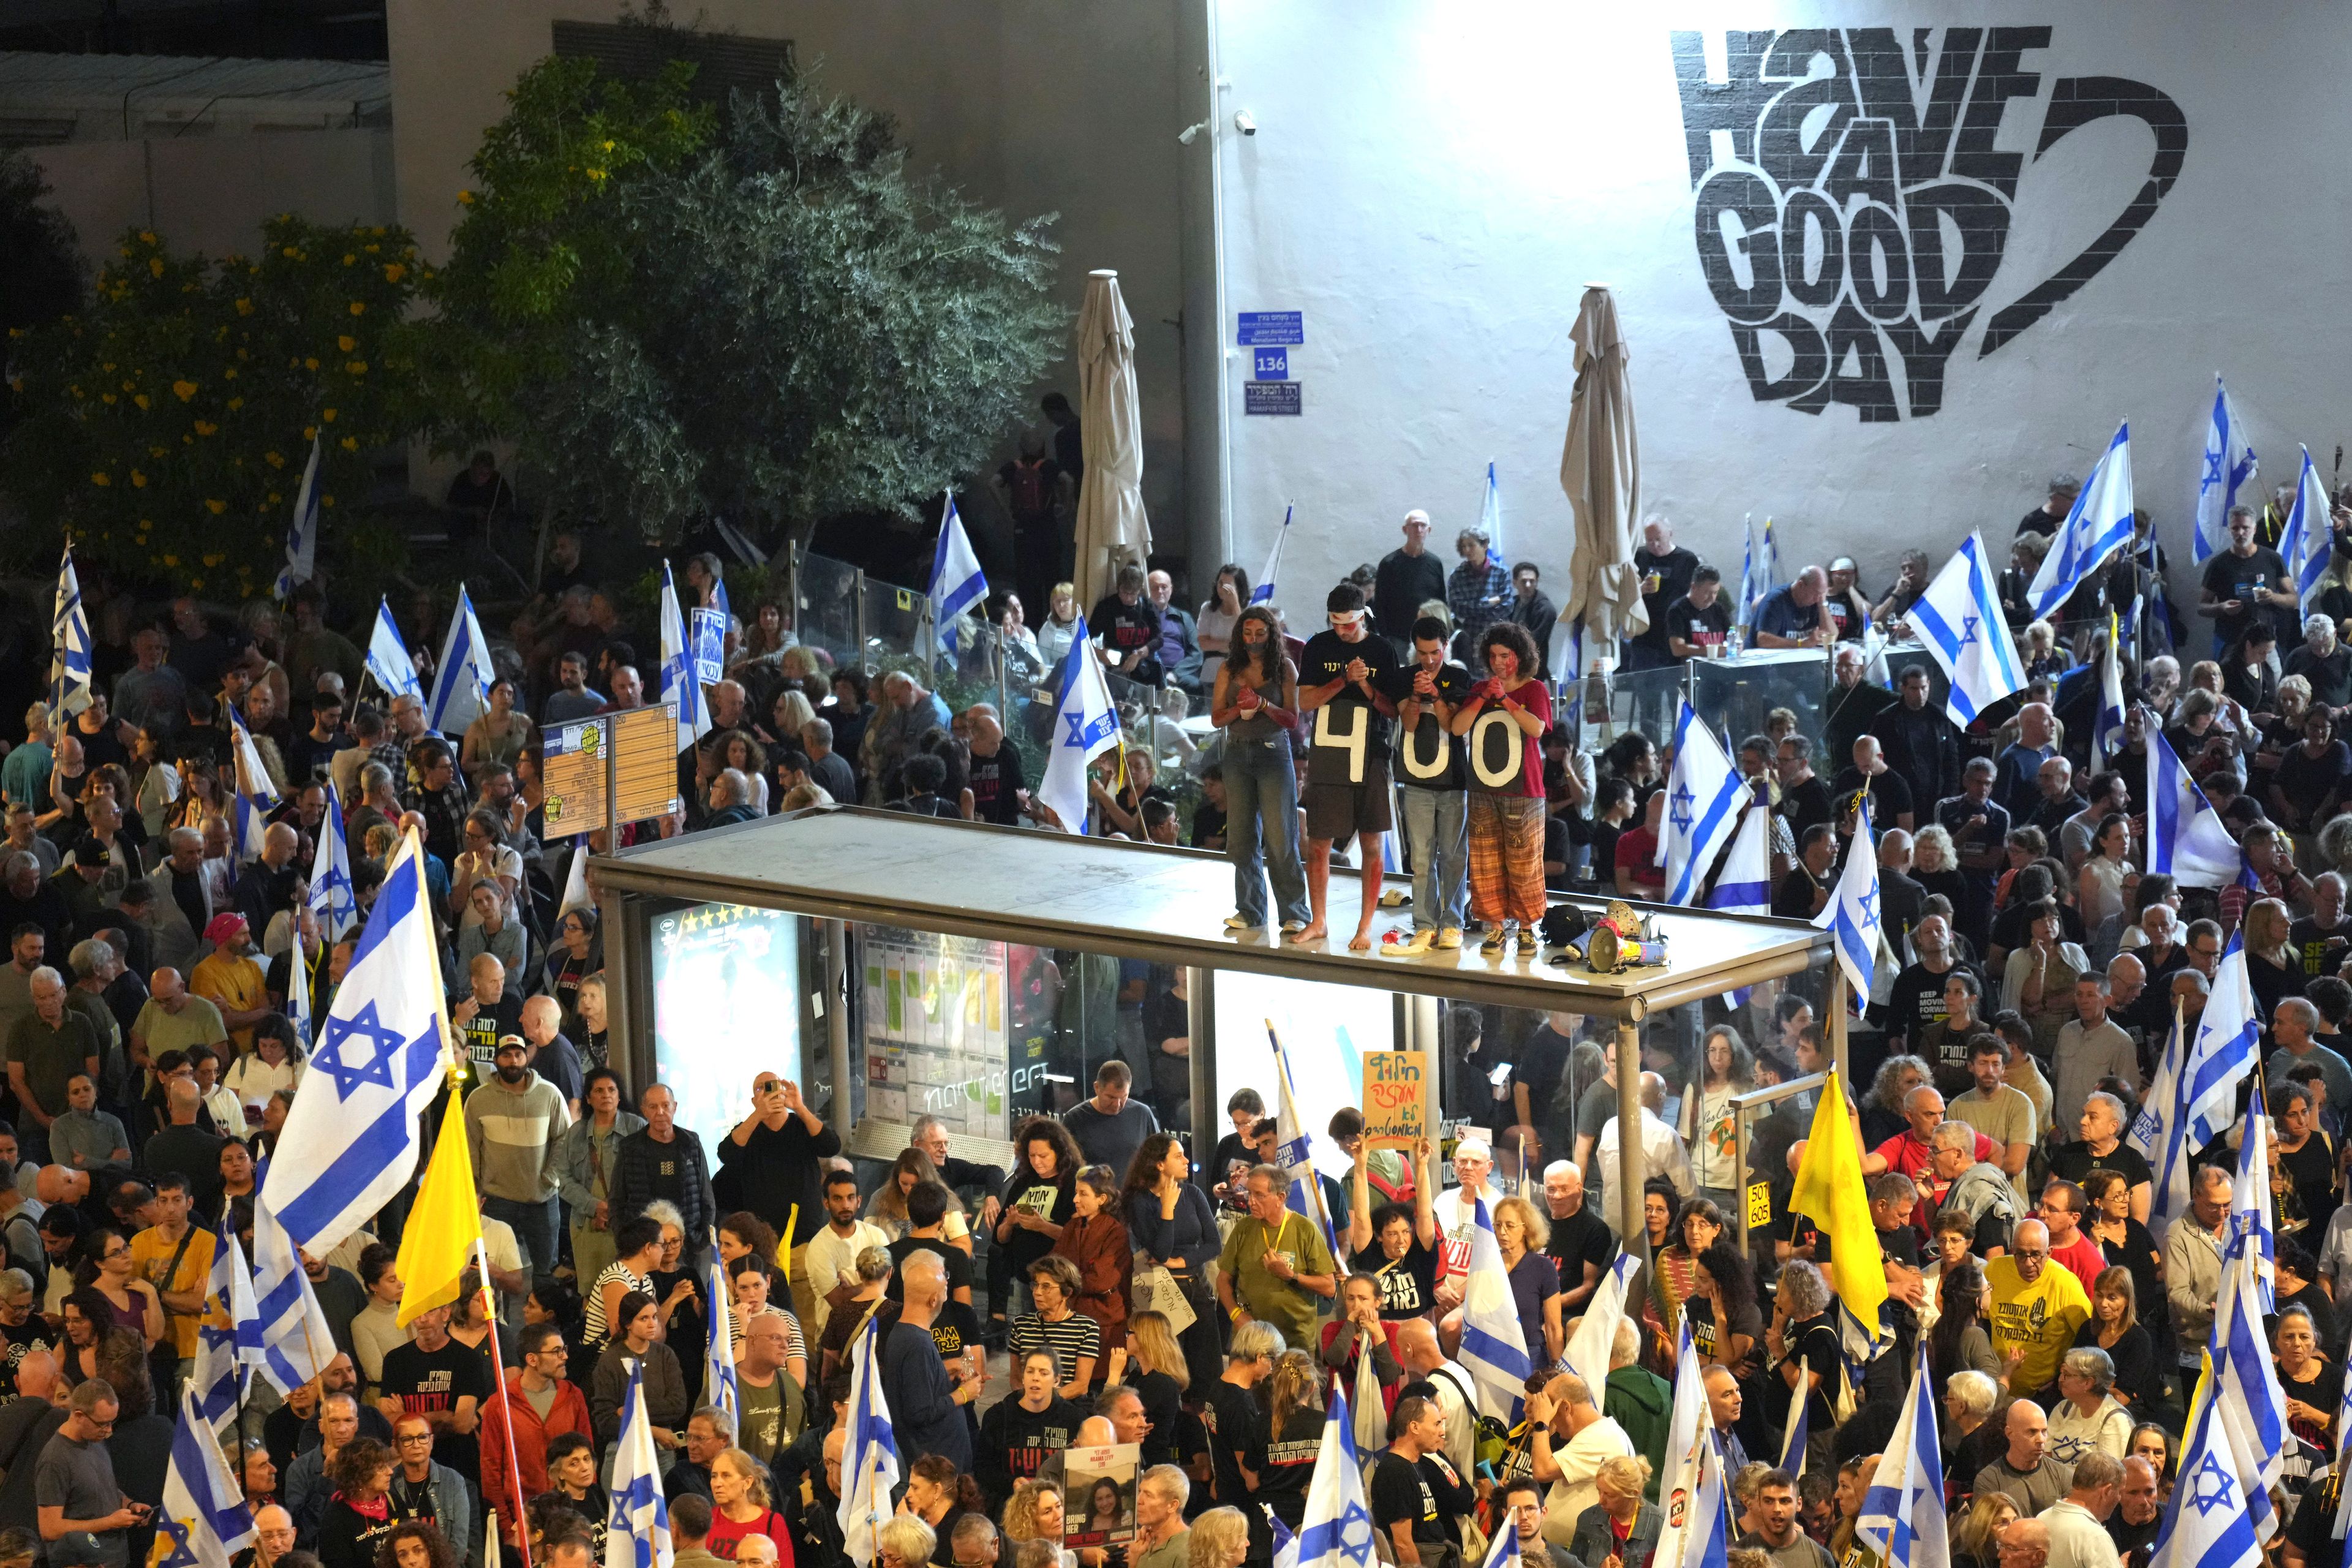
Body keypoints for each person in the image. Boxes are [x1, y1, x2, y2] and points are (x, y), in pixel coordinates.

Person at [1293, 582, 1400, 951]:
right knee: (1319, 841)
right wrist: (1342, 680)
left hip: (1371, 752)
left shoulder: (1382, 650)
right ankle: (1319, 920)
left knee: (1372, 840)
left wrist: (1366, 683)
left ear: (1362, 616)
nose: (1341, 632)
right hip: (1329, 750)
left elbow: (1393, 708)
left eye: (1349, 625)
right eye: (1335, 624)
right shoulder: (1318, 646)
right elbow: (1305, 701)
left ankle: (1365, 925)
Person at [1452, 620, 1552, 955]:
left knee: (1524, 862)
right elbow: (1458, 728)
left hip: (1524, 789)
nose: (1498, 662)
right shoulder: (1480, 687)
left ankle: (1526, 928)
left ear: (1519, 656)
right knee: (1485, 861)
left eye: (1505, 655)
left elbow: (1537, 728)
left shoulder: (1534, 689)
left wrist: (1506, 700)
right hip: (1483, 786)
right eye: (1493, 655)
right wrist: (1483, 698)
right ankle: (1494, 928)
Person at [1212, 605, 1310, 935]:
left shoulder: (1286, 670)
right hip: (1237, 755)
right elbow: (1217, 718)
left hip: (1273, 754)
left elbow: (1293, 720)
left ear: (1272, 635)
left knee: (1281, 838)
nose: (1253, 640)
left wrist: (1264, 704)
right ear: (1241, 636)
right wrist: (1239, 709)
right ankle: (1250, 910)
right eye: (1248, 634)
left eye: (1260, 634)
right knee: (1240, 839)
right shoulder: (1228, 669)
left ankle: (1295, 912)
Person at [1381, 616, 1472, 954]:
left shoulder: (1459, 677)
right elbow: (1408, 722)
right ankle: (1424, 924)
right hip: (1416, 780)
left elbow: (1453, 726)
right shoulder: (1404, 678)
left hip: (1453, 781)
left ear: (1445, 646)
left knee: (1452, 856)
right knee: (1421, 858)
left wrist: (1436, 694)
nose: (1429, 660)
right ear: (1414, 649)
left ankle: (1453, 923)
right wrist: (1417, 696)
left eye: (1435, 652)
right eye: (1422, 653)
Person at [478, 1324, 590, 1545]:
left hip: (570, 1517)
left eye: (563, 1349)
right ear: (532, 1359)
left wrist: (586, 1510)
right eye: (556, 1351)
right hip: (524, 1520)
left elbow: (588, 1457)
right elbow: (491, 1471)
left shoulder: (573, 1396)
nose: (565, 1356)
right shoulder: (500, 1404)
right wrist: (507, 1529)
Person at [1216, 1164, 1336, 1352]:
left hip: (1295, 1341)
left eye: (1259, 1195)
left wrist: (1291, 1275)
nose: (1251, 1202)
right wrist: (1236, 1315)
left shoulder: (1305, 1229)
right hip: (1251, 1337)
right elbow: (1223, 1279)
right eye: (1250, 1194)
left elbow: (1329, 1288)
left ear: (1281, 1198)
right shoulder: (1244, 1227)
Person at [881, 1251, 972, 1472]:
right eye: (943, 1292)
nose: (944, 1297)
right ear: (932, 1300)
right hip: (935, 1468)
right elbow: (919, 1412)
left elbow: (916, 1390)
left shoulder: (905, 1333)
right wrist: (964, 1394)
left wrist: (943, 1378)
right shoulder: (917, 1344)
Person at [1368, 1395, 1475, 1568]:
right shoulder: (1395, 1472)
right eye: (1436, 1424)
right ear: (1414, 1427)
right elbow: (1403, 1543)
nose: (1442, 1431)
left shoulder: (1414, 1464)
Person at [1974, 1400, 2073, 1515]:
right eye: (2032, 1432)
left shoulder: (2061, 1474)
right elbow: (1986, 1529)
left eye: (2044, 1431)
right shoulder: (1989, 1480)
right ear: (2010, 1434)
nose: (2041, 1439)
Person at [1373, 512, 1449, 652]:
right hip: (1398, 638)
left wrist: (1442, 634)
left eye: (1423, 526)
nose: (1419, 530)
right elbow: (1380, 603)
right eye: (1414, 525)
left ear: (1429, 530)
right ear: (1405, 529)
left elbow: (1442, 602)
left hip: (1429, 638)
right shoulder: (1389, 564)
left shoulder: (1435, 563)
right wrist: (1385, 637)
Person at [1732, 1469, 1830, 1568]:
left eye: (1785, 1501)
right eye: (1769, 1501)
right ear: (1759, 1503)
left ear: (1799, 1504)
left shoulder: (1821, 1557)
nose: (1777, 1509)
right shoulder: (1737, 1556)